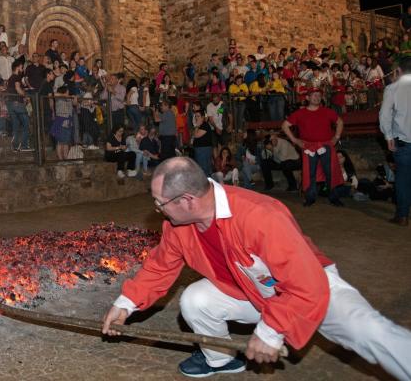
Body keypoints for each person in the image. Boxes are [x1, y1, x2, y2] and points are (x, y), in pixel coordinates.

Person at [102, 157, 411, 380]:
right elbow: (159, 267)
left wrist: (271, 331)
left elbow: (305, 283)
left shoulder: (261, 215)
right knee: (195, 300)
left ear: (186, 201)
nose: (157, 211)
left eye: (160, 204)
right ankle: (220, 360)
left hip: (308, 289)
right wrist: (126, 304)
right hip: (248, 293)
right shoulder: (178, 225)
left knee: (371, 332)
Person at [282, 89, 344, 206]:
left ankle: (334, 197)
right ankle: (310, 198)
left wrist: (336, 137)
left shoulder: (327, 111)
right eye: (314, 95)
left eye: (319, 95)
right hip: (308, 147)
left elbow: (340, 122)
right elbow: (285, 125)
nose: (317, 97)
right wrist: (295, 140)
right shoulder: (300, 113)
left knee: (330, 172)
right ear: (307, 98)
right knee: (309, 173)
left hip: (326, 145)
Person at [379, 56, 411, 226]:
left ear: (398, 71)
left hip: (404, 140)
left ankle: (403, 215)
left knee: (403, 178)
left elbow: (385, 115)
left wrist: (388, 136)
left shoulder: (393, 88)